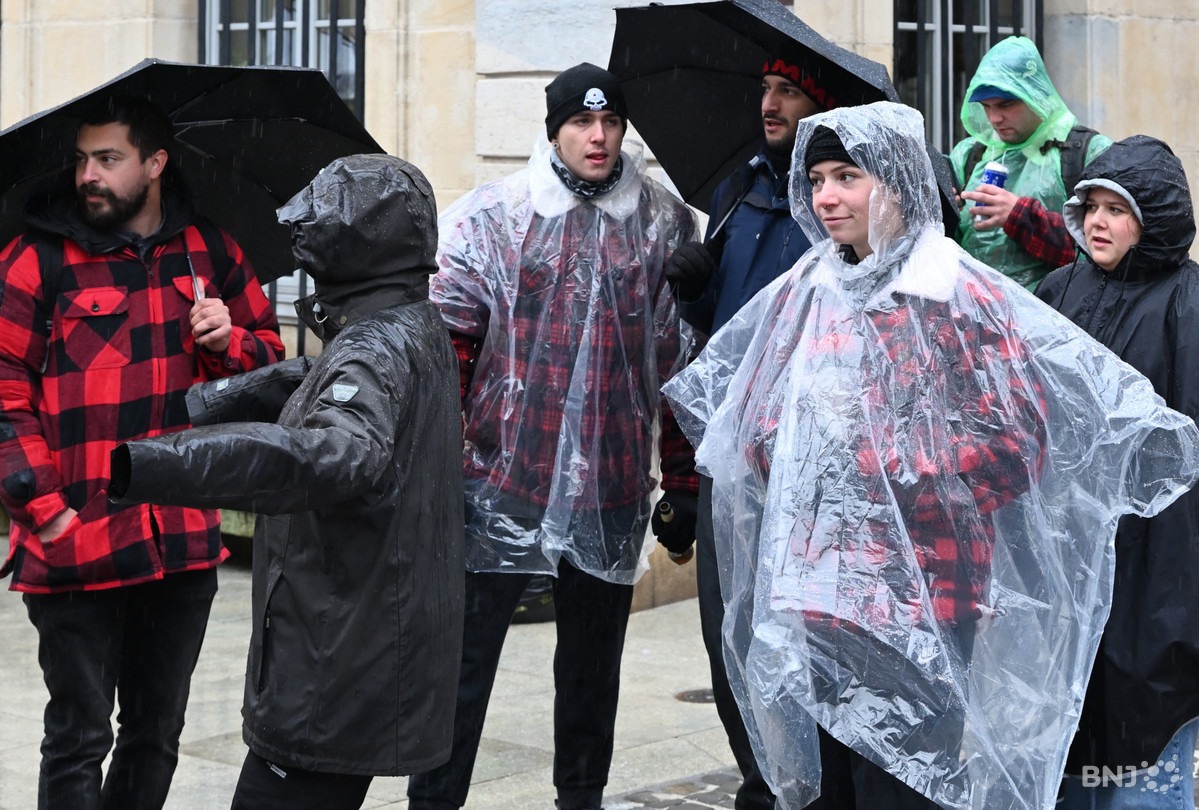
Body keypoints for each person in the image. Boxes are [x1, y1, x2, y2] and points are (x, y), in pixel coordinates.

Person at [662, 101, 1199, 810]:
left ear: (894, 184)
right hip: (817, 596)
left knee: (904, 789)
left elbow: (1017, 442)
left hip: (924, 604)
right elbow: (753, 432)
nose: (826, 198)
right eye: (816, 180)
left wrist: (902, 464)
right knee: (830, 794)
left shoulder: (956, 298)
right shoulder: (808, 295)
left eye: (846, 177)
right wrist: (798, 446)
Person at [106, 154, 466, 810]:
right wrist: (211, 401)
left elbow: (335, 452)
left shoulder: (375, 347)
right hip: (359, 649)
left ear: (360, 242)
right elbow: (317, 382)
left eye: (320, 224)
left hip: (333, 667)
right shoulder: (407, 323)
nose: (303, 239)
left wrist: (164, 461)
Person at [404, 62, 698, 810]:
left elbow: (677, 364)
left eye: (610, 122)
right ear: (553, 129)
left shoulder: (662, 224)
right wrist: (437, 465)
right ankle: (434, 800)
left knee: (593, 668)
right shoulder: (496, 215)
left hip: (610, 485)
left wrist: (682, 479)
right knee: (462, 662)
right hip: (501, 480)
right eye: (580, 122)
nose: (598, 137)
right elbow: (449, 348)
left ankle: (581, 798)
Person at [0, 96, 284, 810]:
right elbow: (3, 392)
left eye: (108, 159)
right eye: (81, 160)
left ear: (155, 163)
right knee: (78, 737)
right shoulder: (36, 259)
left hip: (180, 541)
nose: (87, 176)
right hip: (76, 539)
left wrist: (229, 343)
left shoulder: (210, 251)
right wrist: (45, 512)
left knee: (156, 733)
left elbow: (271, 373)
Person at [654, 55, 831, 810]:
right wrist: (695, 292)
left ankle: (812, 787)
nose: (770, 103)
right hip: (732, 455)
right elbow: (716, 333)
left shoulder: (836, 200)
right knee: (728, 629)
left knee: (800, 640)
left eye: (788, 91)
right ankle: (758, 783)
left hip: (809, 462)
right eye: (765, 89)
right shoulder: (738, 191)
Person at [1035, 135, 1199, 809]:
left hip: (1157, 570)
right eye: (1091, 206)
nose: (1097, 222)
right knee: (1069, 764)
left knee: (1143, 768)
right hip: (1065, 566)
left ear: (1151, 218)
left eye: (1117, 209)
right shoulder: (1058, 290)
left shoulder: (1188, 306)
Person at [952, 36, 1111, 290]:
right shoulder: (970, 154)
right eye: (986, 106)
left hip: (1053, 310)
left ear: (1035, 95)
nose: (994, 118)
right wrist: (943, 212)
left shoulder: (1087, 152)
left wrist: (1022, 217)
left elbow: (1107, 249)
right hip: (973, 309)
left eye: (1005, 105)